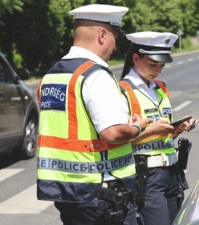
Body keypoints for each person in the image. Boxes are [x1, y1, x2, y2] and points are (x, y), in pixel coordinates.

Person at [36, 4, 153, 225]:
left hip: (66, 189)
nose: (114, 46)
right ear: (102, 35)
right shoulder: (95, 75)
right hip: (101, 191)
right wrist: (138, 127)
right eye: (114, 38)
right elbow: (112, 132)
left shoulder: (51, 75)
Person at [119, 31, 198, 225]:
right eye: (153, 64)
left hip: (171, 171)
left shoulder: (160, 88)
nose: (158, 70)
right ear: (135, 58)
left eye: (161, 65)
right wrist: (152, 130)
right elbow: (117, 140)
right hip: (145, 174)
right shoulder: (122, 90)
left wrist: (177, 129)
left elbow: (165, 136)